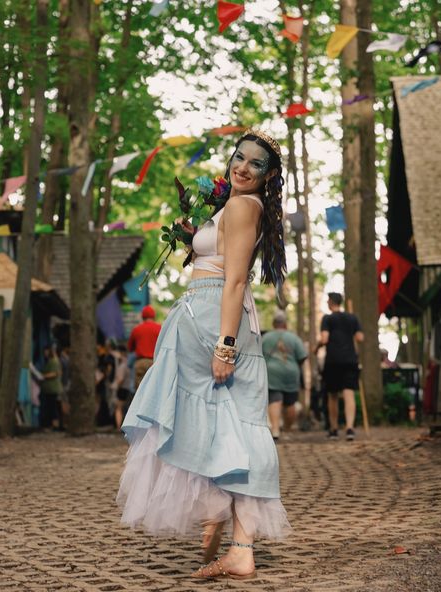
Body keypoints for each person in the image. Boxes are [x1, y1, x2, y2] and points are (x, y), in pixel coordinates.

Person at [117, 130, 291, 580]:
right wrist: (198, 232)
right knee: (223, 423)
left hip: (218, 322)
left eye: (256, 164)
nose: (243, 168)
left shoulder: (241, 205)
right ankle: (227, 529)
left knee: (237, 425)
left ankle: (236, 540)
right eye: (239, 157)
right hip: (202, 315)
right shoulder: (234, 206)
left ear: (269, 176)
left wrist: (225, 346)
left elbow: (234, 281)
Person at [315, 292, 364, 441]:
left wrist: (316, 348)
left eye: (328, 300)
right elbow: (360, 338)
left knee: (333, 395)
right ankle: (350, 428)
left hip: (333, 361)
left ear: (331, 302)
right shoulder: (352, 318)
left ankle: (334, 429)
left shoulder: (327, 318)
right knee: (349, 393)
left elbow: (324, 339)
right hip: (350, 360)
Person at [262, 310, 308, 440]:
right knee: (290, 403)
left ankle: (276, 430)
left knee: (274, 399)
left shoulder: (265, 338)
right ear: (285, 324)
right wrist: (295, 366)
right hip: (291, 372)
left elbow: (258, 355)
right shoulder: (294, 338)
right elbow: (303, 356)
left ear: (273, 323)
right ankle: (287, 428)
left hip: (272, 372)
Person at [127, 305, 161, 389]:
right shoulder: (160, 328)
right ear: (154, 316)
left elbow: (130, 348)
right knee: (154, 389)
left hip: (140, 362)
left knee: (139, 390)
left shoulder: (137, 329)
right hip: (155, 363)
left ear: (142, 317)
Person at [39, 345, 63, 430]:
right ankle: (54, 424)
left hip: (53, 388)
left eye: (46, 351)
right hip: (49, 388)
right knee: (52, 407)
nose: (45, 353)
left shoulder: (54, 361)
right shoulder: (51, 361)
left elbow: (55, 373)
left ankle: (55, 425)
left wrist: (43, 376)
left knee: (53, 407)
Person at [113, 345, 132, 429]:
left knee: (118, 408)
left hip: (122, 388)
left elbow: (120, 379)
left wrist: (116, 385)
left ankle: (118, 426)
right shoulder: (129, 365)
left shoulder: (122, 365)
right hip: (128, 388)